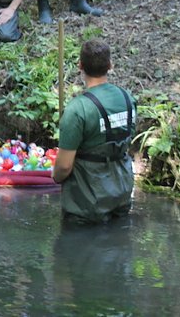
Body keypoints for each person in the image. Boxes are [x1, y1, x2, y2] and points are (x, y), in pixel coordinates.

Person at [53, 39, 136, 224]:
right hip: (122, 193)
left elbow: (64, 167)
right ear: (110, 66)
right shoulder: (128, 98)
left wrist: (56, 177)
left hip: (87, 203)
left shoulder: (78, 109)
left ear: (80, 66)